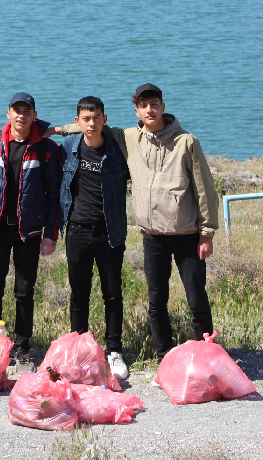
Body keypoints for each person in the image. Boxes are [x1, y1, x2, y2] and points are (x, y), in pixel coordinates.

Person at [55, 84, 219, 367]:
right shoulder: (131, 137)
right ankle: (164, 359)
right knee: (156, 301)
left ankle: (209, 357)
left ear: (163, 107)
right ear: (137, 112)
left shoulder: (186, 141)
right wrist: (48, 129)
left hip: (186, 233)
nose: (150, 110)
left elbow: (205, 189)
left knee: (196, 298)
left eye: (154, 104)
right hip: (151, 235)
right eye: (144, 106)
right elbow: (89, 125)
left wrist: (207, 232)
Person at [0, 92, 60, 371]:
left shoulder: (46, 148)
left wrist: (50, 235)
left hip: (28, 232)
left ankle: (22, 346)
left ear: (34, 116)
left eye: (26, 111)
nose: (21, 115)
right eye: (16, 110)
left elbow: (54, 195)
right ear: (8, 113)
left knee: (24, 291)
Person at [58, 96, 130, 380]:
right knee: (79, 294)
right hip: (77, 230)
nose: (91, 123)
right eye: (86, 119)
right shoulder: (68, 147)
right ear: (77, 122)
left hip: (110, 232)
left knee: (112, 293)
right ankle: (81, 349)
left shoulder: (118, 150)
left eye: (96, 117)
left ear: (104, 119)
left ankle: (114, 351)